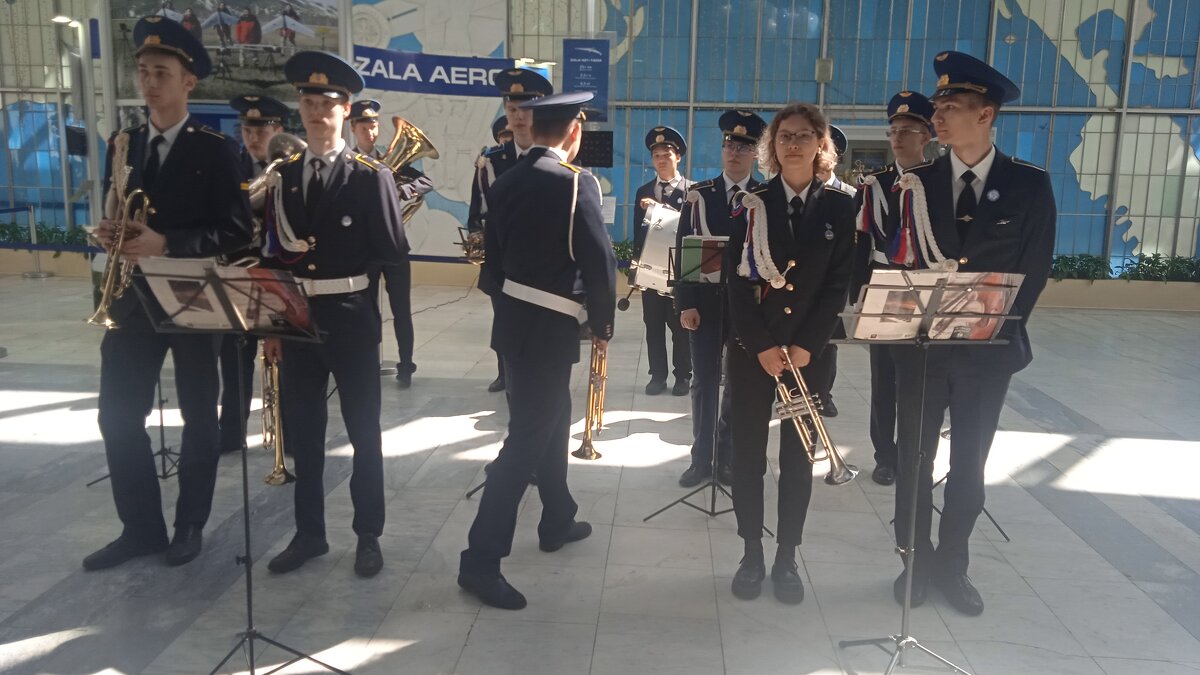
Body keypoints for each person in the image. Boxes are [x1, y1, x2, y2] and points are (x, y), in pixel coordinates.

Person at [886, 51, 1055, 616]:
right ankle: (914, 561)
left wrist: (994, 328)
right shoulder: (914, 184)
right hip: (921, 351)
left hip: (987, 354)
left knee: (969, 465)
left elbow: (1033, 273)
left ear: (986, 116)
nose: (939, 115)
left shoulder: (1029, 186)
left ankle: (953, 565)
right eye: (938, 105)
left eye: (952, 106)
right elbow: (896, 264)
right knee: (912, 457)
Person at [84, 16, 254, 571]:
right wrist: (111, 232)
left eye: (162, 72)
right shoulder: (125, 142)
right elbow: (119, 205)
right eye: (143, 71)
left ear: (189, 82)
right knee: (117, 415)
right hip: (133, 299)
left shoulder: (216, 149)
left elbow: (236, 233)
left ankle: (188, 526)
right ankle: (141, 528)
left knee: (200, 418)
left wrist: (167, 241)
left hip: (191, 295)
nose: (149, 82)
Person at [458, 91, 616, 610]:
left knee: (552, 420)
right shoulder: (576, 183)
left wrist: (520, 308)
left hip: (515, 330)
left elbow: (492, 271)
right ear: (574, 132)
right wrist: (604, 322)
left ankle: (557, 518)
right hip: (549, 332)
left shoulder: (504, 183)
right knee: (525, 442)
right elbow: (598, 262)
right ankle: (479, 561)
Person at [258, 51, 410, 578]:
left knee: (364, 430)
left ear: (345, 110)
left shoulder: (371, 177)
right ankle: (310, 534)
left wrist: (355, 290)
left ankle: (368, 534)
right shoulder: (285, 176)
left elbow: (392, 249)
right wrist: (272, 327)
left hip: (349, 314)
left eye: (327, 103)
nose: (316, 111)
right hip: (297, 320)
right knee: (304, 432)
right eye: (307, 101)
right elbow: (272, 257)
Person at [725, 103, 855, 604]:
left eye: (805, 135)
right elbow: (737, 286)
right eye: (784, 137)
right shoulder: (750, 202)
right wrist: (760, 345)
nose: (794, 144)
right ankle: (751, 553)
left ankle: (786, 557)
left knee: (798, 458)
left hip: (809, 355)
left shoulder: (842, 205)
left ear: (822, 144)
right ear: (772, 146)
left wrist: (806, 345)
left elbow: (838, 283)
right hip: (753, 353)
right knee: (748, 454)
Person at [673, 110, 765, 488]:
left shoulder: (764, 197)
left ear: (756, 153)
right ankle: (701, 458)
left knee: (738, 385)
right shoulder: (700, 195)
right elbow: (684, 251)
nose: (735, 152)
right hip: (706, 305)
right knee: (704, 382)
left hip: (747, 308)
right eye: (730, 144)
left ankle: (727, 458)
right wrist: (686, 303)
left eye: (744, 147)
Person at [855, 91, 935, 486]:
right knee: (884, 376)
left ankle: (914, 453)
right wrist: (856, 296)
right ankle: (884, 456)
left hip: (928, 286)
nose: (899, 137)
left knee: (919, 378)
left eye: (909, 130)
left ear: (927, 135)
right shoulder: (875, 185)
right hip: (885, 285)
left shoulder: (941, 182)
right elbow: (859, 246)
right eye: (894, 130)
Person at [466, 69, 553, 393]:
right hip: (503, 268)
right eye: (511, 108)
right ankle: (505, 373)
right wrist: (477, 238)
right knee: (506, 327)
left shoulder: (556, 162)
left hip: (545, 273)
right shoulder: (491, 162)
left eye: (526, 108)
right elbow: (478, 210)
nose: (518, 116)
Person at [217, 93, 288, 455]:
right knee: (234, 361)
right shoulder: (229, 168)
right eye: (247, 129)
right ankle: (230, 433)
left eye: (261, 129)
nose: (253, 136)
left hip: (279, 277)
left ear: (278, 130)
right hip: (239, 275)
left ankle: (288, 435)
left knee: (286, 360)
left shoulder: (291, 169)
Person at [352, 98, 435, 388]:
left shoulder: (389, 161)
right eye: (364, 126)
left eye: (373, 125)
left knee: (402, 309)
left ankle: (406, 365)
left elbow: (426, 183)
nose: (370, 131)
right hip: (364, 249)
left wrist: (401, 190)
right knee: (366, 309)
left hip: (395, 247)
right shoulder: (348, 164)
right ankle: (366, 360)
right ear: (353, 129)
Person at [632, 126, 692, 396]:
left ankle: (683, 376)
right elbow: (638, 234)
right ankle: (657, 375)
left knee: (681, 328)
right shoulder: (643, 191)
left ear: (678, 157)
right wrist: (636, 269)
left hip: (680, 272)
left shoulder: (692, 191)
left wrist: (660, 210)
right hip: (651, 273)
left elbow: (692, 230)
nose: (661, 160)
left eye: (667, 154)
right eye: (656, 155)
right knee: (653, 326)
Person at [804, 124, 856, 419]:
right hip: (799, 284)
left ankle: (824, 393)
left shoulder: (849, 195)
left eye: (826, 150)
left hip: (833, 286)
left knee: (827, 344)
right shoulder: (799, 190)